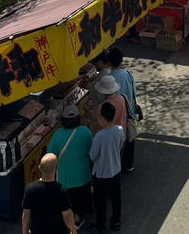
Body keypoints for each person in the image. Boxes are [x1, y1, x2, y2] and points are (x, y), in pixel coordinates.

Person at [46, 105, 93, 228]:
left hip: (64, 178)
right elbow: (91, 152)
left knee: (68, 202)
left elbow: (50, 154)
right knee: (80, 200)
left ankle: (67, 218)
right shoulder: (85, 132)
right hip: (82, 176)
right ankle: (78, 218)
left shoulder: (57, 134)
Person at [21, 153, 77, 234]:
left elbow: (26, 214)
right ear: (56, 168)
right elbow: (67, 215)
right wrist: (73, 230)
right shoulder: (61, 190)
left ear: (39, 168)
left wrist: (25, 231)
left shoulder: (30, 189)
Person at [89, 101, 124, 233]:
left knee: (100, 202)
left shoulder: (100, 136)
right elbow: (120, 145)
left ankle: (101, 225)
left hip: (101, 174)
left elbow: (93, 155)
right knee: (116, 198)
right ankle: (116, 220)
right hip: (116, 170)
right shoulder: (119, 130)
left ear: (102, 119)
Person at [108, 47, 138, 173]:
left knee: (117, 142)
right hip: (129, 110)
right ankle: (128, 164)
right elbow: (133, 91)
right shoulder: (127, 74)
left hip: (117, 114)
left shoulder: (110, 78)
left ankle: (117, 166)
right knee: (130, 139)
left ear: (109, 62)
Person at [95, 75, 127, 140]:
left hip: (109, 139)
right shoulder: (123, 98)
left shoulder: (102, 106)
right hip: (122, 134)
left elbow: (100, 125)